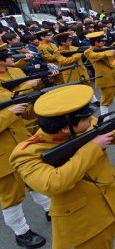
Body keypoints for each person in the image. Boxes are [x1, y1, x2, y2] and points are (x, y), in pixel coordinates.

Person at [9, 85, 115, 248]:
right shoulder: (26, 153)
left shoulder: (82, 126)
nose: (91, 120)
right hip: (85, 221)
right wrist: (93, 148)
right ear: (64, 128)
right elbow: (53, 183)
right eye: (86, 118)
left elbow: (113, 137)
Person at [0, 77, 49, 249]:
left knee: (34, 182)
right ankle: (21, 233)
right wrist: (10, 112)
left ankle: (51, 209)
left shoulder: (2, 90)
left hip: (22, 148)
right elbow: (10, 114)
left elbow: (23, 117)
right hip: (3, 158)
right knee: (12, 197)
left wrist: (35, 103)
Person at [84, 31, 115, 113]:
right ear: (96, 42)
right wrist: (109, 52)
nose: (104, 42)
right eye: (102, 41)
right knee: (105, 101)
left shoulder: (106, 48)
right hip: (105, 80)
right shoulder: (88, 51)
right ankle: (104, 119)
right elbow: (96, 56)